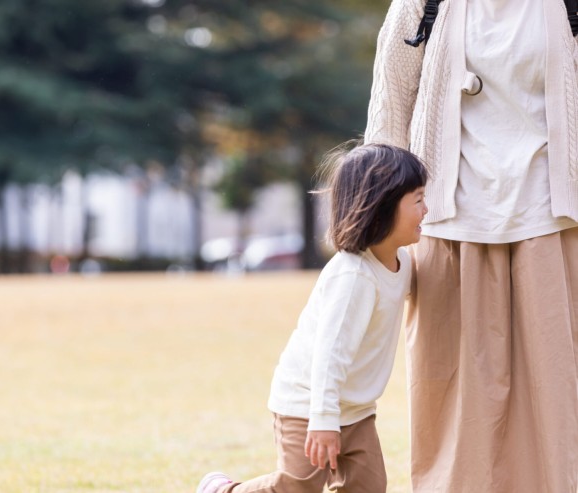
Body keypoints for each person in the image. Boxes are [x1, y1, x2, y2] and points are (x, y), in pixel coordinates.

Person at [365, 0, 578, 491]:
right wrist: (380, 218)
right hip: (445, 225)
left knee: (555, 406)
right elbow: (390, 103)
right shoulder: (423, 4)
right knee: (455, 410)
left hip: (551, 222)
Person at [196, 143, 429, 493]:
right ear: (381, 207)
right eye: (418, 200)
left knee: (367, 487)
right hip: (307, 405)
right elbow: (329, 356)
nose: (427, 210)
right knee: (297, 486)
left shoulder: (402, 263)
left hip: (357, 410)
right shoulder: (353, 277)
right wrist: (323, 421)